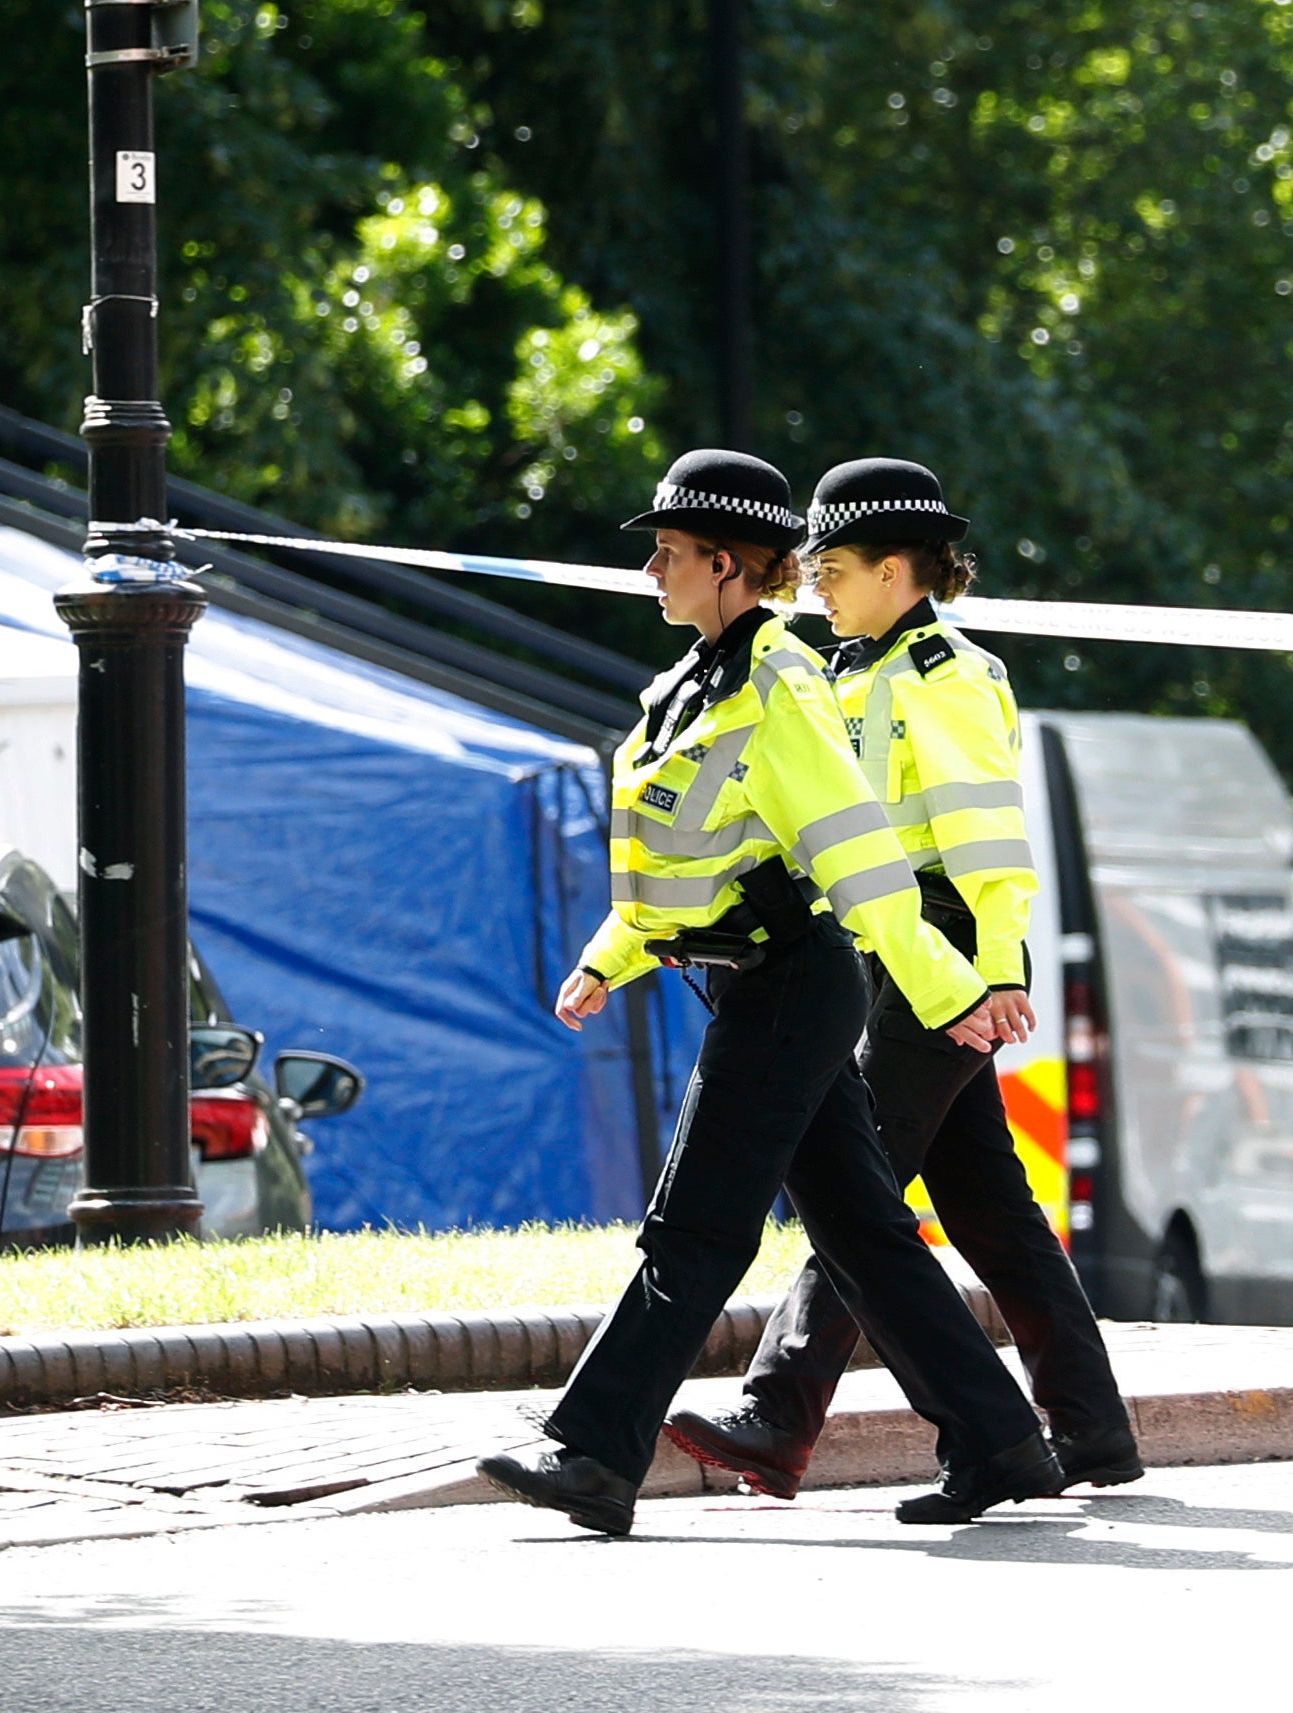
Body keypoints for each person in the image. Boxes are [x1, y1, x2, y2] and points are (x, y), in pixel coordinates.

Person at [475, 449, 1061, 1537]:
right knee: (864, 1233)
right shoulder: (686, 686)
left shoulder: (777, 683)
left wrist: (952, 987)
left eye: (666, 551)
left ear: (730, 563)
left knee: (694, 1222)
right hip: (753, 979)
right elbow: (677, 862)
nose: (650, 568)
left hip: (792, 984)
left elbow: (858, 859)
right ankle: (998, 1438)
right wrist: (610, 955)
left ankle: (595, 1451)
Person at [664, 456, 1146, 1500]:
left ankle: (777, 1411)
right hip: (878, 949)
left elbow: (987, 840)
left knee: (854, 1191)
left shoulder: (948, 677)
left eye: (831, 566)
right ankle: (1089, 1430)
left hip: (939, 949)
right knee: (985, 1209)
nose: (815, 586)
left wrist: (993, 969)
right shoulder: (843, 671)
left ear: (896, 570)